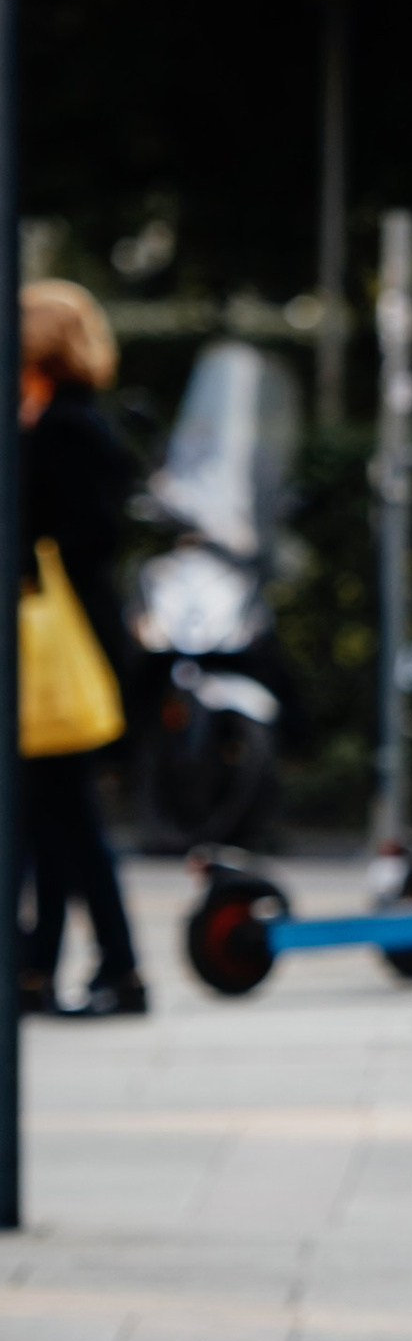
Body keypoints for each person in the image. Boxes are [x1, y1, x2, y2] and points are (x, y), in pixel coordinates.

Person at [18, 280, 144, 1018]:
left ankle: (118, 970)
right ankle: (43, 970)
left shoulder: (63, 428)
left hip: (62, 651)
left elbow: (88, 534)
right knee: (56, 818)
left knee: (65, 818)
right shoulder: (63, 420)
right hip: (72, 644)